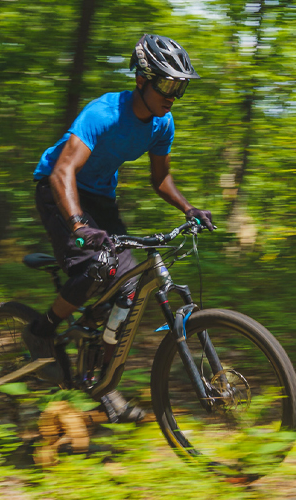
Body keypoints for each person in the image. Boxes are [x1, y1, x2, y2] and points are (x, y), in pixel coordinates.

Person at [24, 34, 216, 423]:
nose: (173, 95)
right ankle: (41, 331)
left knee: (127, 287)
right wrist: (78, 224)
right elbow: (64, 170)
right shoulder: (103, 113)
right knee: (95, 268)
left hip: (100, 199)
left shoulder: (163, 124)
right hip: (59, 189)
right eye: (166, 83)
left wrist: (188, 208)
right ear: (142, 79)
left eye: (180, 86)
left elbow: (160, 179)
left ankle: (102, 385)